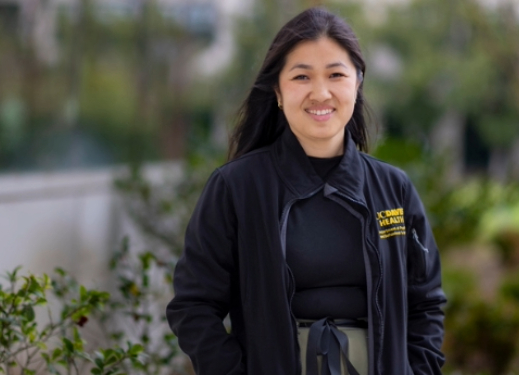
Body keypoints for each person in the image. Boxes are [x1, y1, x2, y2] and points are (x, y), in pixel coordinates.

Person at [166, 7, 446, 375]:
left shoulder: (394, 189)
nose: (320, 92)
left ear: (357, 84)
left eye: (336, 74)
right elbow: (193, 305)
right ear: (278, 92)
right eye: (301, 76)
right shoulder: (236, 188)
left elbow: (426, 303)